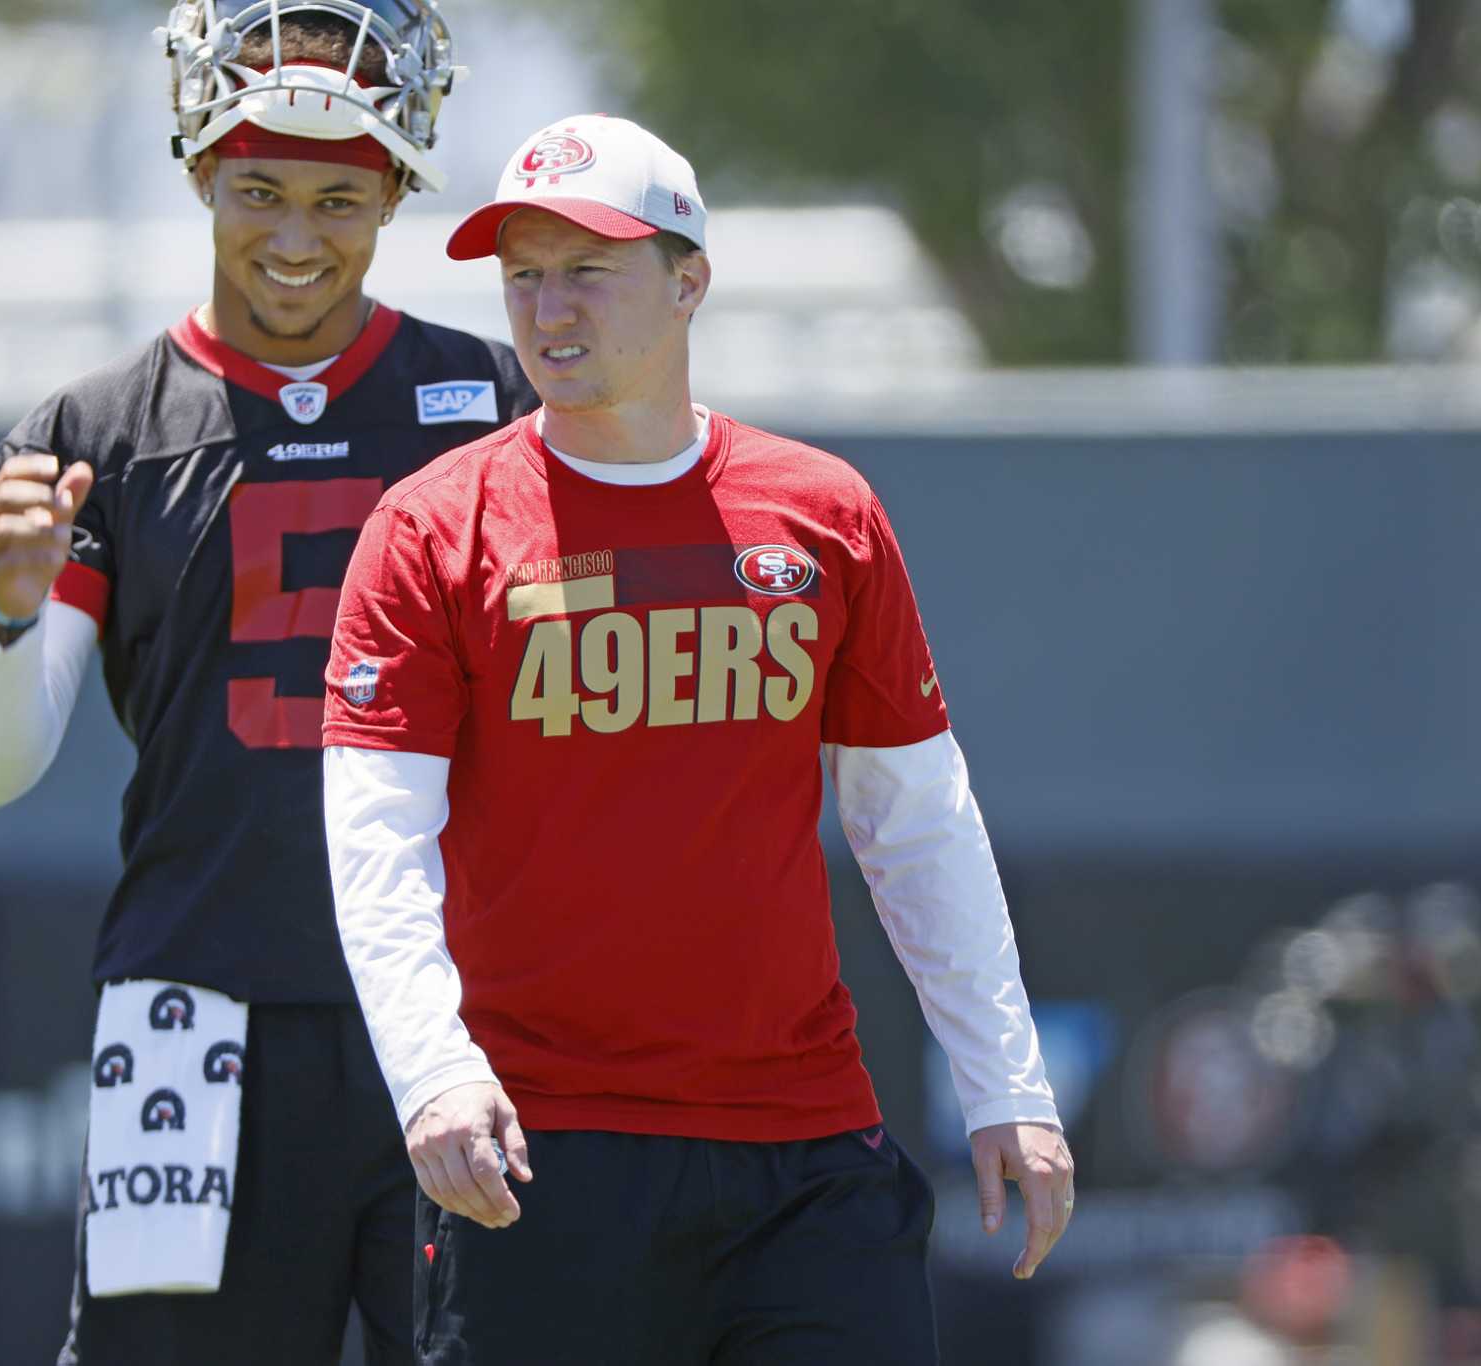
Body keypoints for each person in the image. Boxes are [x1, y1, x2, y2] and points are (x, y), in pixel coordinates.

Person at [319, 114, 1075, 1364]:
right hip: (536, 1152)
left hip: (803, 1153)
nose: (547, 309)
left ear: (688, 282)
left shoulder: (825, 513)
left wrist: (1006, 1084)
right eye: (522, 276)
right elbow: (376, 838)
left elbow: (915, 821)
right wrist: (434, 1075)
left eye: (587, 269)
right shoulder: (428, 530)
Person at [0, 4, 533, 1363]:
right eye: (261, 189)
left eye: (340, 196)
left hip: (449, 1012)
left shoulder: (493, 403)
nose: (298, 236)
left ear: (396, 190)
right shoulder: (99, 429)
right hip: (188, 1003)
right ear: (201, 173)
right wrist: (11, 611)